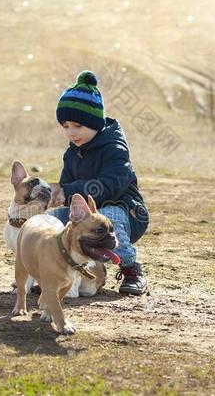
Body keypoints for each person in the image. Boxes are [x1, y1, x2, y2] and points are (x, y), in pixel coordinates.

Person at [48, 70, 150, 295]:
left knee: (108, 215)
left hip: (127, 212)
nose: (71, 133)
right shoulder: (72, 153)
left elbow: (109, 186)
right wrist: (56, 196)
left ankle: (132, 268)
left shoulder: (115, 149)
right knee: (51, 222)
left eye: (77, 126)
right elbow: (68, 187)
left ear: (94, 123)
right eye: (65, 126)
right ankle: (54, 271)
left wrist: (68, 191)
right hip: (86, 214)